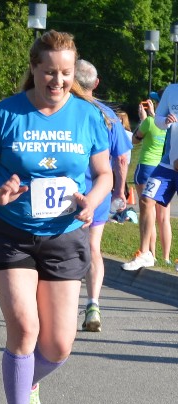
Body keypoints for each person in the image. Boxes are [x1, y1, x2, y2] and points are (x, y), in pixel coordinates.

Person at [0, 30, 112, 404]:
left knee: (59, 345)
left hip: (64, 235)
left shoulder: (88, 115)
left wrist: (92, 202)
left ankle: (26, 384)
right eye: (49, 72)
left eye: (65, 73)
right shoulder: (8, 113)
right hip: (10, 233)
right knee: (26, 327)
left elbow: (104, 175)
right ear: (34, 69)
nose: (58, 81)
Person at [73, 59, 132, 333]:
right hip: (99, 191)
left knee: (63, 249)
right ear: (96, 84)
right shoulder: (108, 115)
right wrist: (119, 190)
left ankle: (60, 304)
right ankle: (93, 303)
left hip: (67, 193)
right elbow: (121, 158)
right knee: (93, 247)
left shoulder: (63, 110)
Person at [121, 93, 172, 270]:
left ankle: (150, 253)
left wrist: (145, 118)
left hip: (147, 168)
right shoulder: (171, 124)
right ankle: (166, 257)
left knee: (147, 210)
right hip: (166, 167)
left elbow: (135, 140)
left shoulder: (150, 122)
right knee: (163, 217)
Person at [131, 83, 178, 272]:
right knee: (145, 200)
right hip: (168, 162)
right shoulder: (171, 90)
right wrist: (165, 121)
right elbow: (158, 120)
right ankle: (145, 254)